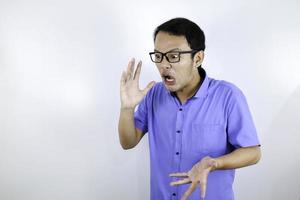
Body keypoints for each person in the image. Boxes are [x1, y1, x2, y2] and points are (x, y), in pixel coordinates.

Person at [118, 17, 261, 200]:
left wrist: (215, 163)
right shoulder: (153, 95)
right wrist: (127, 108)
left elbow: (253, 152)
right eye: (159, 56)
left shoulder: (228, 96)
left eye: (173, 56)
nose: (163, 65)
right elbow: (128, 142)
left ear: (198, 58)